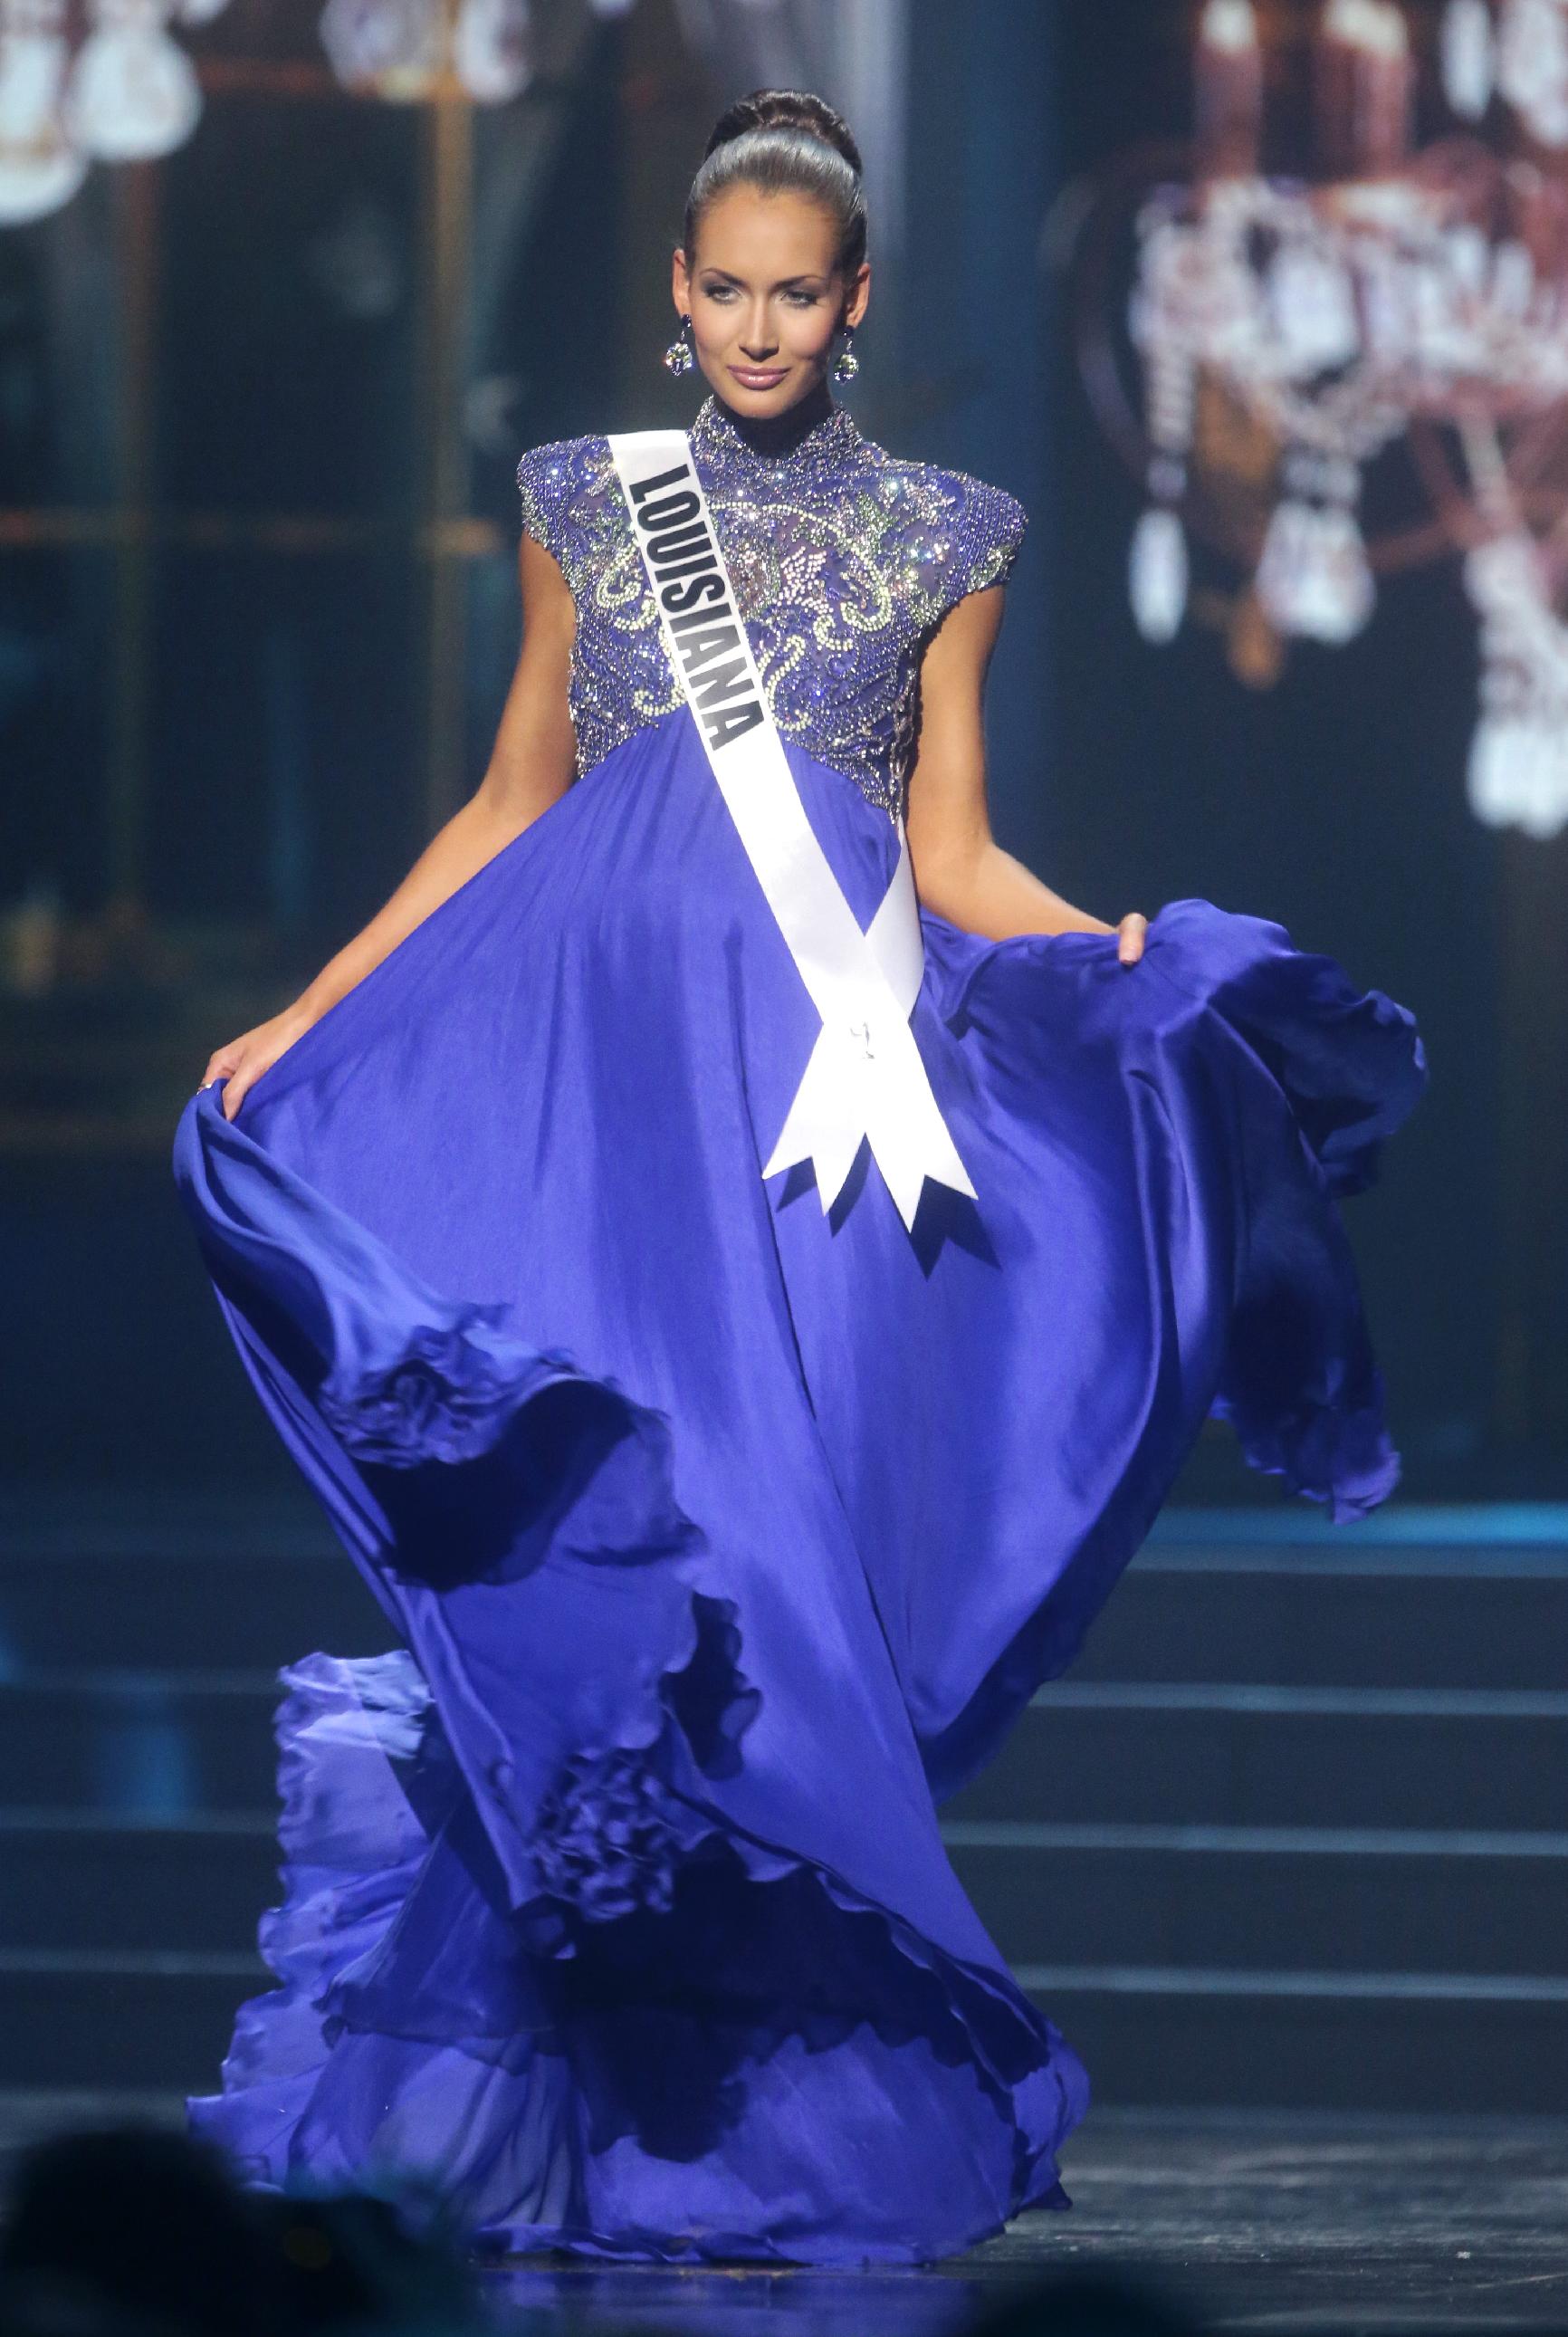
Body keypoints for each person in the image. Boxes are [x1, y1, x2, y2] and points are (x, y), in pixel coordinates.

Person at [172, 89, 1427, 2268]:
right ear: (678, 298)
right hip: (596, 1095)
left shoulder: (949, 531)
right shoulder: (594, 501)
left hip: (816, 1121)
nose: (756, 328)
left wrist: (1103, 948)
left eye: (795, 295)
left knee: (767, 1600)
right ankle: (540, 2103)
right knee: (603, 1553)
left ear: (850, 306)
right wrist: (313, 1005)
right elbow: (505, 798)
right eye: (723, 291)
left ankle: (741, 2120)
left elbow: (942, 854)